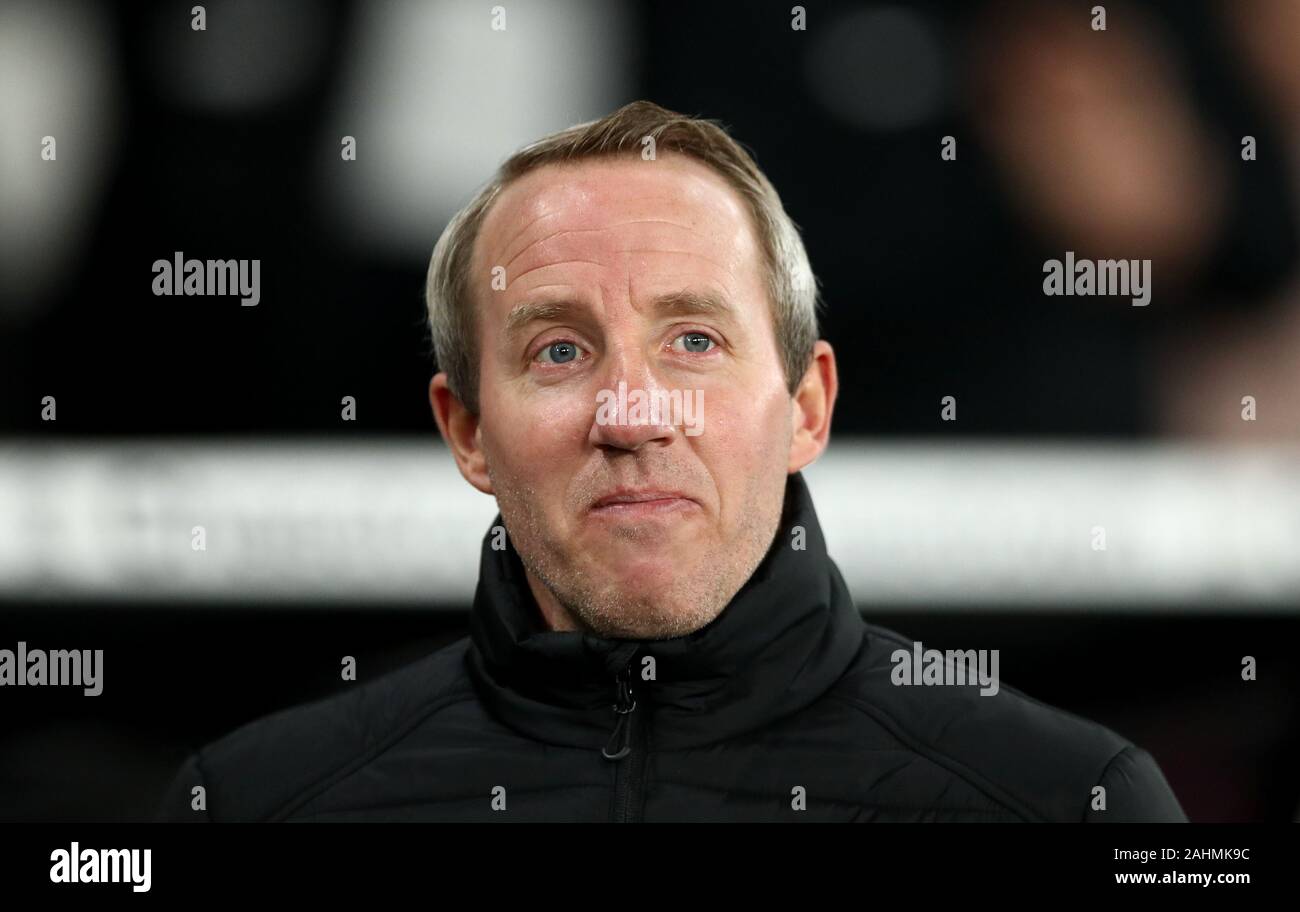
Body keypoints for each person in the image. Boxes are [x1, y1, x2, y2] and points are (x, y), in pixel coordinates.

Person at [155, 100, 1186, 822]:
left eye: (693, 341)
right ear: (465, 430)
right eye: (558, 350)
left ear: (806, 407)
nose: (632, 412)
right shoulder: (255, 803)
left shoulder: (1072, 802)